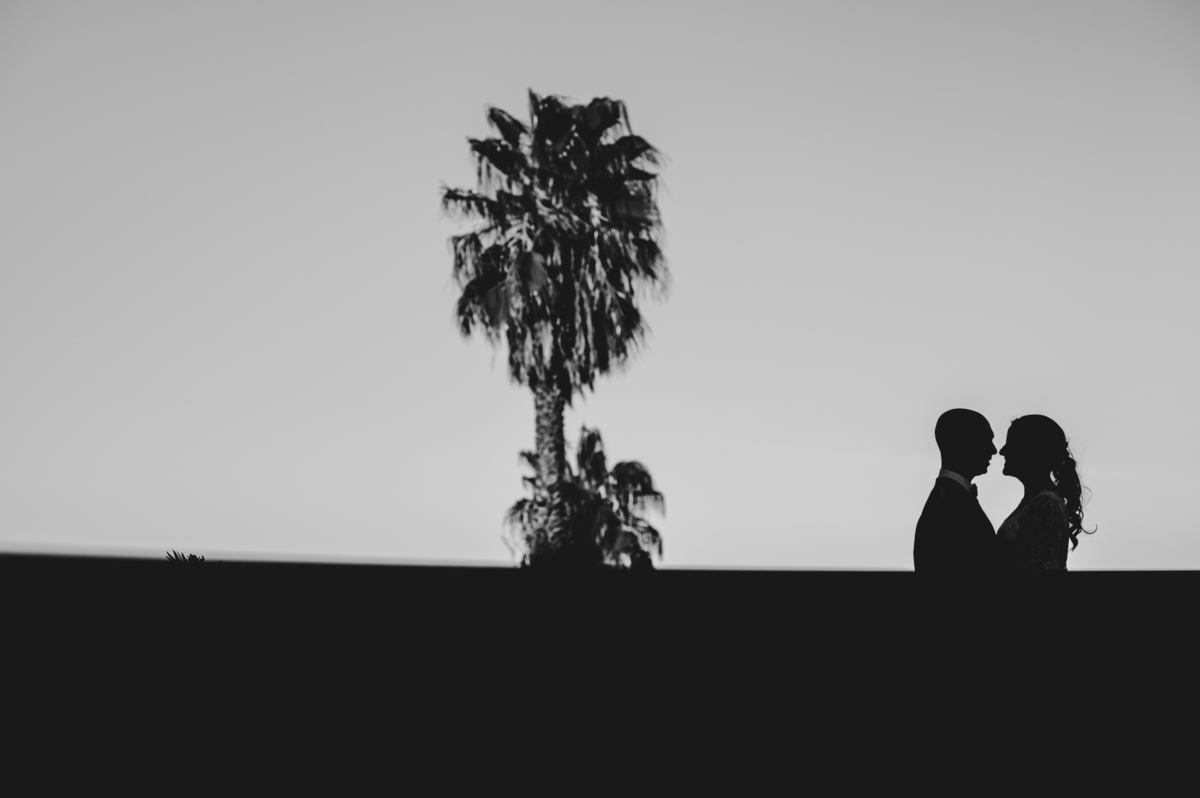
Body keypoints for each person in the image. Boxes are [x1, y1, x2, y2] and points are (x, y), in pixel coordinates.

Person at [995, 415, 1093, 571]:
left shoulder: (1045, 503)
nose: (1002, 451)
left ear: (1031, 451)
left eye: (1011, 444)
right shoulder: (1042, 500)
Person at [913, 409, 998, 573]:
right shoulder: (948, 505)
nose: (994, 450)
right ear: (965, 442)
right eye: (987, 440)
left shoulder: (948, 497)